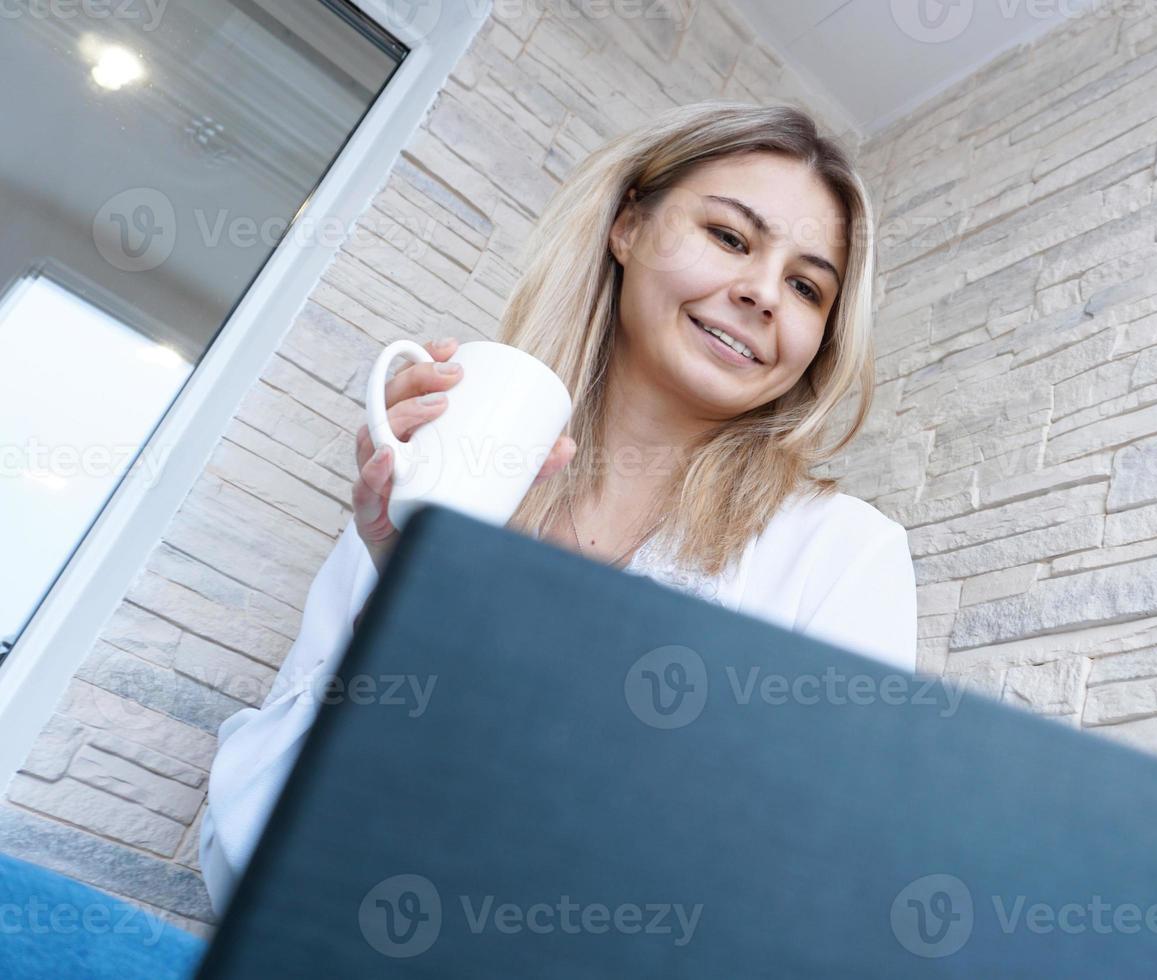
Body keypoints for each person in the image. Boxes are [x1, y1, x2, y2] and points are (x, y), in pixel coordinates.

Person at [198, 101, 919, 916]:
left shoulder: (844, 553)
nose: (761, 293)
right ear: (628, 226)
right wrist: (411, 605)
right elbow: (235, 858)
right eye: (729, 237)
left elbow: (818, 892)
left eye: (806, 286)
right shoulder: (450, 467)